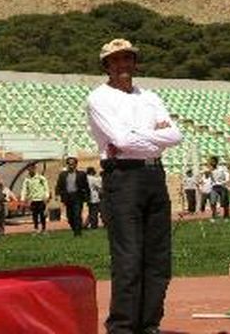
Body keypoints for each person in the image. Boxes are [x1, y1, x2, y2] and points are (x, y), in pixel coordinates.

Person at [86, 38, 182, 334]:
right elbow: (121, 141)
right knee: (128, 257)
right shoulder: (99, 98)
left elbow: (176, 135)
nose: (123, 65)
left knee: (158, 256)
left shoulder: (150, 97)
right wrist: (153, 137)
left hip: (154, 176)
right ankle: (123, 327)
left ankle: (149, 323)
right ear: (107, 66)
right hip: (122, 178)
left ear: (135, 63)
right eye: (116, 61)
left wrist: (137, 138)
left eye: (128, 59)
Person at [54, 156, 90, 237]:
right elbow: (59, 185)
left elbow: (86, 186)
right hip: (67, 197)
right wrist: (57, 194)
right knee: (69, 216)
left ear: (76, 164)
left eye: (73, 164)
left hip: (78, 196)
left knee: (77, 215)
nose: (71, 166)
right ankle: (75, 228)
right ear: (67, 165)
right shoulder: (63, 175)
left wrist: (88, 198)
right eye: (69, 164)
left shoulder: (81, 174)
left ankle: (78, 233)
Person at [20, 164, 50, 234]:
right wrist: (22, 199)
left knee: (42, 215)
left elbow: (46, 188)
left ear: (35, 169)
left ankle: (43, 229)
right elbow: (24, 190)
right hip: (33, 200)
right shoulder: (27, 180)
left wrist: (46, 196)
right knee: (34, 215)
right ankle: (36, 228)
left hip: (41, 199)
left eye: (32, 168)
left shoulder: (41, 178)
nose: (30, 170)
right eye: (29, 169)